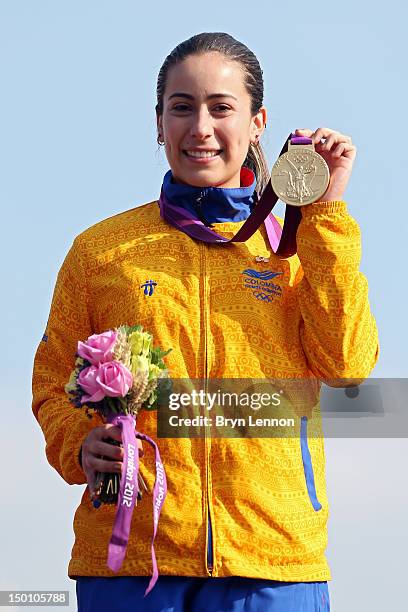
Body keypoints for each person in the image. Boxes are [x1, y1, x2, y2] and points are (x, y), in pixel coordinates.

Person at [32, 32, 379, 611]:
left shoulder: (297, 247)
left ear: (258, 122)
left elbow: (347, 365)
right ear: (159, 121)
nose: (200, 128)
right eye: (182, 107)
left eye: (222, 107)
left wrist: (326, 213)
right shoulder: (101, 252)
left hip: (273, 560)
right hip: (132, 565)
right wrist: (79, 443)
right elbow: (51, 383)